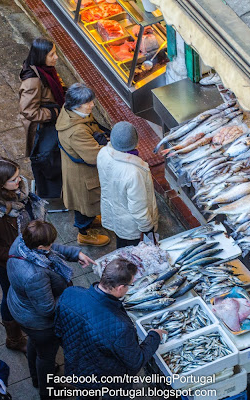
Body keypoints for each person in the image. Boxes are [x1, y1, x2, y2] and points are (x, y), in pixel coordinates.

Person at [55, 258, 166, 400]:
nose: (129, 289)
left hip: (79, 368)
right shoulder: (120, 327)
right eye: (130, 285)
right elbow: (135, 362)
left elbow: (58, 330)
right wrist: (154, 336)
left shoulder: (70, 294)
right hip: (111, 379)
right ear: (120, 288)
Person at [6, 220, 96, 400]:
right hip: (39, 323)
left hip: (22, 309)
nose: (51, 246)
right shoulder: (35, 275)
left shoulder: (22, 242)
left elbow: (52, 250)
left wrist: (75, 253)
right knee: (46, 357)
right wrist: (74, 298)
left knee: (36, 345)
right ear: (39, 246)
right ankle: (47, 389)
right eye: (48, 244)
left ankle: (36, 378)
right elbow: (47, 308)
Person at [0, 157, 47, 353]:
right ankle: (14, 339)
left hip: (27, 253)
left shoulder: (19, 193)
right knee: (10, 296)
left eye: (18, 176)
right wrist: (16, 254)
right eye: (14, 179)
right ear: (0, 185)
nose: (20, 181)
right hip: (9, 262)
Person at [56, 83, 111, 247]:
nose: (92, 105)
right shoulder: (76, 131)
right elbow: (95, 156)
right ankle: (84, 234)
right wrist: (108, 148)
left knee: (87, 204)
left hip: (78, 172)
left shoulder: (72, 113)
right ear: (76, 105)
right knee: (84, 204)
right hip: (83, 176)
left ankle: (90, 220)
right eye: (88, 103)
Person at [97, 121, 159, 248]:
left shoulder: (103, 153)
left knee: (122, 246)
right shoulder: (133, 172)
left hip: (115, 213)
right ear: (135, 142)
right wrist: (147, 228)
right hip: (132, 226)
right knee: (136, 256)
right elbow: (138, 208)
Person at [19, 37, 65, 198]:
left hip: (51, 118)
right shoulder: (33, 80)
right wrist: (54, 113)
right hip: (43, 126)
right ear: (41, 56)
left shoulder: (46, 69)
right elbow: (28, 111)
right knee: (49, 156)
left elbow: (54, 87)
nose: (56, 57)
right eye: (52, 54)